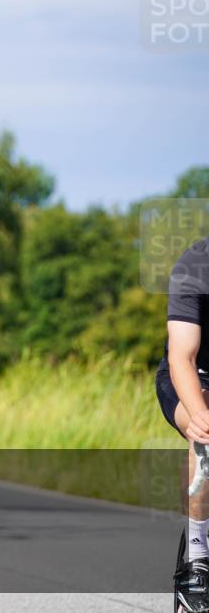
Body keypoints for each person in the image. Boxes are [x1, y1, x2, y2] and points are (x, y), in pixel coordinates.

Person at [156, 237, 209, 613]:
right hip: (189, 378)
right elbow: (181, 359)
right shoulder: (195, 265)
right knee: (205, 430)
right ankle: (198, 560)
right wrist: (199, 413)